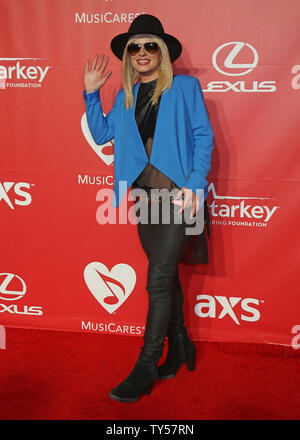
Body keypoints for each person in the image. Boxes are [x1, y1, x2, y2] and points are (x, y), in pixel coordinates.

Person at [83, 14, 214, 403]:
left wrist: (194, 185)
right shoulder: (127, 95)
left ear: (162, 53)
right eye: (135, 47)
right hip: (144, 198)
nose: (142, 52)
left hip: (175, 197)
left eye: (150, 45)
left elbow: (202, 136)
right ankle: (181, 347)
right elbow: (103, 134)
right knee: (166, 275)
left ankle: (146, 365)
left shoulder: (185, 87)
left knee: (156, 281)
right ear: (128, 56)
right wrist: (91, 94)